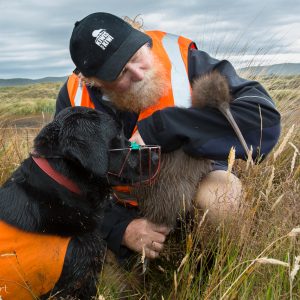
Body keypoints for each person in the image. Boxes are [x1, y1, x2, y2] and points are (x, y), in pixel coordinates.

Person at [55, 12, 281, 261]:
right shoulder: (73, 103)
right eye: (120, 73)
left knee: (223, 198)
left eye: (136, 55)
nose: (139, 73)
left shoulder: (183, 60)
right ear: (93, 81)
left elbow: (264, 121)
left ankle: (212, 271)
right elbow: (63, 185)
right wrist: (120, 229)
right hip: (122, 208)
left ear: (138, 36)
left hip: (195, 189)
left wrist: (165, 126)